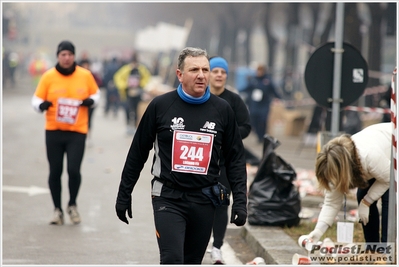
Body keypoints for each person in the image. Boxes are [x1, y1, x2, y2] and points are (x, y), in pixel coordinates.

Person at [115, 47, 248, 264]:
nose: (202, 75)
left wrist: (240, 202)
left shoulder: (222, 110)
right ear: (180, 75)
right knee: (172, 259)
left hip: (204, 199)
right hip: (168, 197)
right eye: (194, 69)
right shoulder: (160, 106)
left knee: (192, 261)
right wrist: (124, 193)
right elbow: (138, 152)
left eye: (206, 69)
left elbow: (235, 159)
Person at [31, 40, 100, 225]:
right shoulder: (48, 76)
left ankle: (72, 204)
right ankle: (57, 210)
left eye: (70, 54)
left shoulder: (85, 75)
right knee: (55, 171)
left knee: (73, 170)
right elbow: (36, 100)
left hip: (77, 131)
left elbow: (96, 95)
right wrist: (41, 105)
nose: (67, 58)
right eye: (63, 54)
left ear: (74, 56)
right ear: (58, 56)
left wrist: (90, 101)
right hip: (54, 130)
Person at [304, 123, 391, 244]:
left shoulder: (369, 155)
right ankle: (373, 248)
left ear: (342, 171)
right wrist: (318, 231)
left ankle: (389, 248)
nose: (332, 182)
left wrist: (368, 201)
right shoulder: (335, 168)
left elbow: (390, 179)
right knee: (362, 196)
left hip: (392, 149)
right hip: (378, 163)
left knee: (390, 200)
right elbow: (331, 203)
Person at [208, 56, 251, 264]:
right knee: (198, 204)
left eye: (223, 72)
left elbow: (246, 127)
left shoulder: (234, 101)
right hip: (202, 164)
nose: (219, 75)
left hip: (225, 164)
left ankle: (217, 246)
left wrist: (227, 134)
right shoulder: (201, 97)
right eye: (215, 71)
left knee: (221, 204)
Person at [113, 52, 151, 135]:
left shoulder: (141, 69)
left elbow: (147, 77)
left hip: (137, 93)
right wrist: (124, 85)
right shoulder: (126, 69)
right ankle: (128, 126)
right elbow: (117, 77)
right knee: (127, 109)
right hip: (127, 93)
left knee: (136, 110)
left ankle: (134, 126)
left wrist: (141, 85)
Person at [243, 64, 282, 143]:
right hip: (254, 105)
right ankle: (258, 135)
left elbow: (273, 90)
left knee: (263, 121)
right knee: (254, 120)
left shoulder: (267, 80)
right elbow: (247, 88)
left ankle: (263, 136)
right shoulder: (253, 80)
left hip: (264, 105)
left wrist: (279, 97)